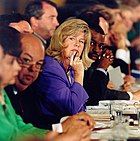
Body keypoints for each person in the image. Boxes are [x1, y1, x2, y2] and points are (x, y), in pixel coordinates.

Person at [0, 26, 95, 141]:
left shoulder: (3, 92)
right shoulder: (52, 66)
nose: (33, 69)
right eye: (25, 60)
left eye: (81, 41)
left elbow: (22, 129)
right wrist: (60, 138)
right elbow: (13, 137)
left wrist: (60, 128)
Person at [30, 18, 93, 127]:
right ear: (60, 41)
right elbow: (72, 109)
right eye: (72, 38)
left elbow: (81, 109)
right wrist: (79, 75)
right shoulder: (50, 67)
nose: (77, 44)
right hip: (49, 131)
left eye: (81, 41)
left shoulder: (70, 68)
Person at [77, 10, 140, 105]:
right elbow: (97, 92)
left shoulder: (104, 48)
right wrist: (121, 49)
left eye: (106, 33)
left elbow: (117, 81)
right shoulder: (91, 51)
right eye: (107, 31)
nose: (106, 38)